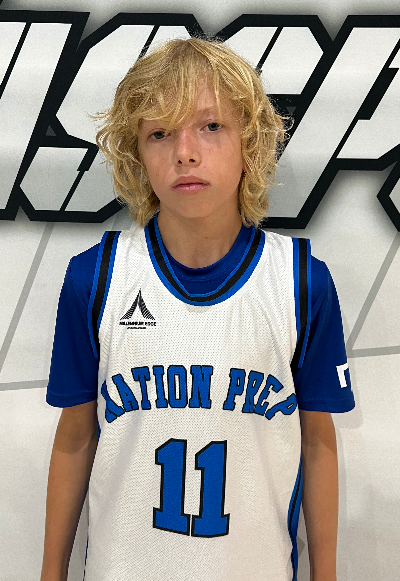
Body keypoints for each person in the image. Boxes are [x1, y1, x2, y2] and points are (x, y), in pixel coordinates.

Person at [41, 37, 355, 581]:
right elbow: (75, 438)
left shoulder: (301, 282)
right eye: (159, 133)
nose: (184, 151)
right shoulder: (96, 278)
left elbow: (316, 441)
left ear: (250, 143)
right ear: (136, 153)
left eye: (210, 126)